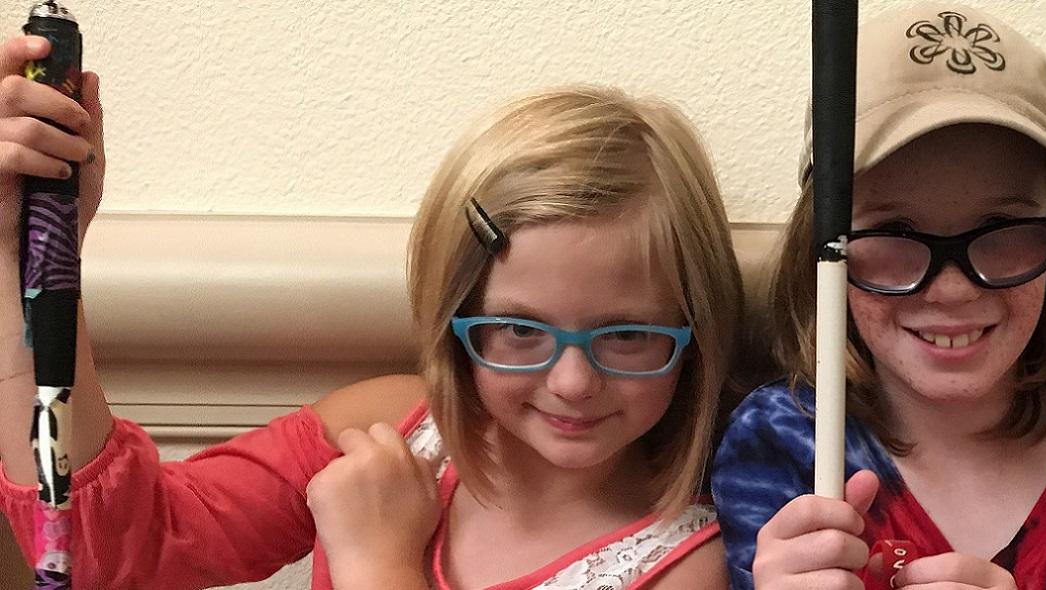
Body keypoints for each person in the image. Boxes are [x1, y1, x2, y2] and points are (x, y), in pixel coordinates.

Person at [0, 35, 743, 588]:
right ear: (456, 316)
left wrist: (377, 562)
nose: (574, 382)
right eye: (518, 330)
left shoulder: (688, 565)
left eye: (631, 334)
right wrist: (19, 261)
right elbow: (110, 549)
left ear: (695, 331)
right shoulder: (389, 430)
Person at [711, 4, 1046, 590]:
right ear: (827, 252)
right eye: (895, 235)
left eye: (1003, 229)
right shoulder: (782, 444)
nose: (953, 287)